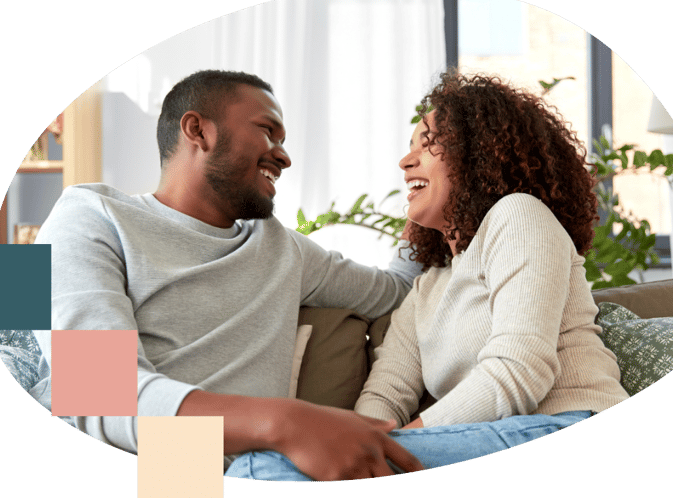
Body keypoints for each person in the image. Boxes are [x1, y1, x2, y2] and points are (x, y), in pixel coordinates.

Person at [225, 71, 630, 481]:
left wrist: (382, 450)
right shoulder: (427, 287)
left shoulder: (520, 216)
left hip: (566, 425)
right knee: (275, 467)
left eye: (429, 143)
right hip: (489, 440)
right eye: (409, 147)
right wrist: (362, 447)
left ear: (480, 155)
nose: (405, 161)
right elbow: (386, 395)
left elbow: (519, 370)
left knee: (262, 466)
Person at [31, 70, 427, 481]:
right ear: (198, 130)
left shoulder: (282, 248)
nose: (284, 156)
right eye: (268, 132)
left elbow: (396, 291)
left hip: (256, 472)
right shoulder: (90, 217)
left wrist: (423, 199)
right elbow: (98, 391)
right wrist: (284, 425)